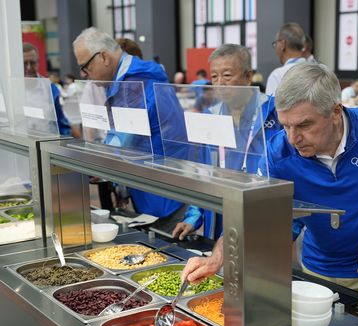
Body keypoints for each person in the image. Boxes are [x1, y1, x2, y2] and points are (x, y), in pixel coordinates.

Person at [182, 63, 358, 317]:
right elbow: (252, 213)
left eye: (303, 125)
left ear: (335, 111)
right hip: (317, 269)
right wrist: (217, 258)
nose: (292, 138)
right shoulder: (277, 152)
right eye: (285, 126)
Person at [73, 27, 186, 224]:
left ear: (104, 58)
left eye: (85, 67)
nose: (84, 74)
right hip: (155, 182)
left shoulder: (135, 83)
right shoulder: (129, 80)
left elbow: (121, 140)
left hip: (164, 190)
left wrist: (89, 165)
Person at [173, 44, 282, 241]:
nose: (220, 83)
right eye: (214, 77)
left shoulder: (274, 113)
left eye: (227, 75)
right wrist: (193, 216)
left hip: (262, 212)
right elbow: (203, 172)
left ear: (248, 77)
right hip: (221, 214)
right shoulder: (211, 116)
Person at [23, 42, 72, 136]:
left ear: (38, 62)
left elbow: (61, 122)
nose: (28, 67)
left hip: (46, 142)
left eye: (32, 63)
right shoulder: (12, 89)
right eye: (24, 63)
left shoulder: (49, 88)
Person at [265, 22, 306, 96]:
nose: (275, 47)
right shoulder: (319, 71)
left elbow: (271, 107)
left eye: (276, 43)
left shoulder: (277, 76)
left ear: (282, 44)